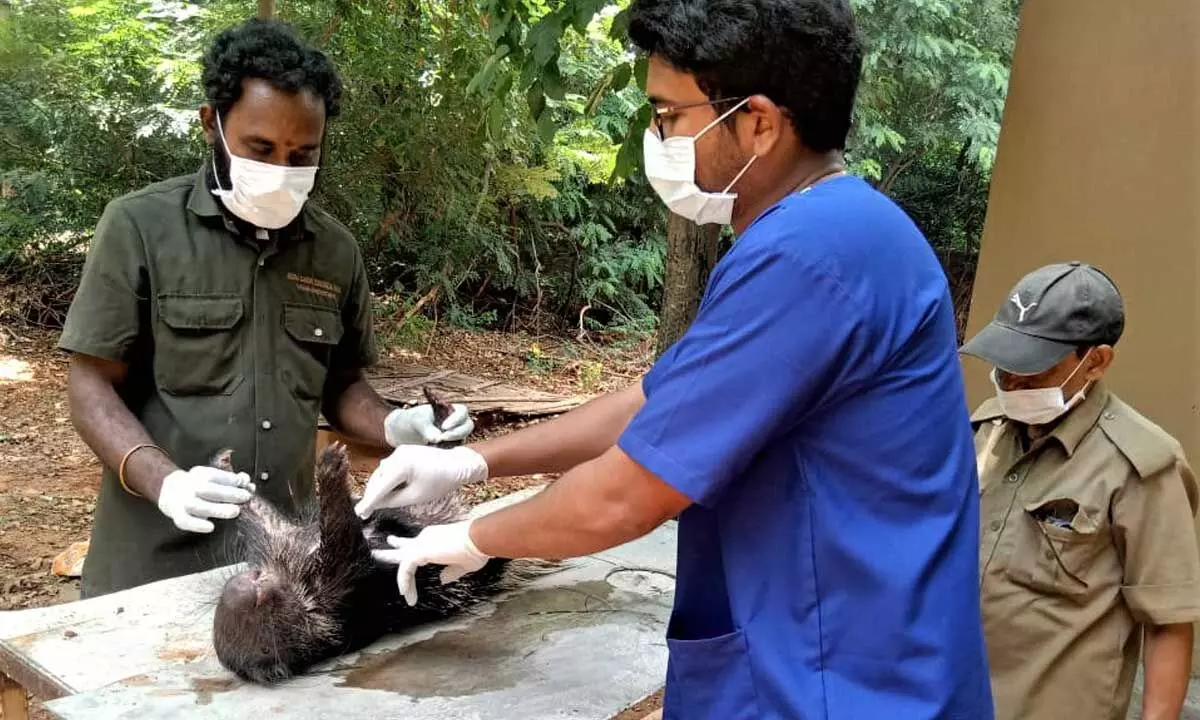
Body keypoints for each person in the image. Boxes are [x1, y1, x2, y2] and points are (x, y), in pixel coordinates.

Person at [357, 1, 994, 717]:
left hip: (832, 681)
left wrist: (473, 535)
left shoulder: (808, 258)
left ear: (756, 122)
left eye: (667, 116)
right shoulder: (847, 230)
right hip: (849, 656)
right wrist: (475, 463)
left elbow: (626, 497)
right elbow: (658, 400)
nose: (657, 136)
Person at [58, 18, 472, 599]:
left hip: (285, 568)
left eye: (303, 152)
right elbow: (90, 386)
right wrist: (166, 483)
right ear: (212, 125)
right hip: (151, 564)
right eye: (260, 148)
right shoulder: (140, 227)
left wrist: (397, 425)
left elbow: (341, 383)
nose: (281, 169)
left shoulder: (334, 251)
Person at [960, 261, 1200, 720]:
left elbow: (1168, 621)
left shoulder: (1142, 466)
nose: (1011, 381)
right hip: (960, 699)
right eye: (1004, 363)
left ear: (1095, 362)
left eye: (1031, 368)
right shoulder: (988, 428)